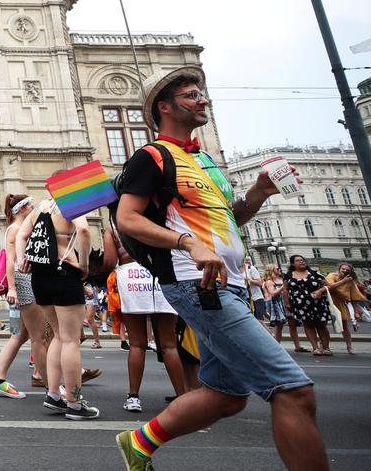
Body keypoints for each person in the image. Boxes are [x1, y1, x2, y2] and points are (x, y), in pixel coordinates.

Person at [114, 69, 326, 470]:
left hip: (231, 284)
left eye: (202, 95)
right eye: (193, 95)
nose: (204, 101)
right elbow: (128, 218)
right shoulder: (151, 157)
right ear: (165, 106)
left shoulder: (205, 161)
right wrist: (187, 243)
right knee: (294, 390)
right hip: (198, 285)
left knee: (227, 395)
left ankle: (140, 442)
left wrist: (260, 191)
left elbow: (228, 218)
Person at [17, 192, 99, 420]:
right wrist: (83, 265)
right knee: (71, 339)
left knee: (58, 336)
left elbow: (22, 235)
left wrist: (23, 260)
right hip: (64, 273)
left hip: (39, 276)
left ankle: (53, 394)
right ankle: (74, 402)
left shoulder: (40, 208)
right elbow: (83, 230)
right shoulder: (71, 203)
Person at [106, 216, 186, 414]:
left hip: (131, 279)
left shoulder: (115, 224)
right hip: (162, 274)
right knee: (169, 344)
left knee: (137, 343)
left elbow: (109, 261)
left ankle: (133, 397)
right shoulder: (161, 215)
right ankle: (183, 397)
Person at [0, 193, 48, 398]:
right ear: (21, 209)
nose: (33, 208)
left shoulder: (20, 228)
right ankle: (53, 388)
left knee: (20, 336)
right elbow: (10, 261)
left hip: (25, 284)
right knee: (39, 336)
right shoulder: (15, 229)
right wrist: (12, 288)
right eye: (30, 205)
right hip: (25, 285)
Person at [285, 254, 333, 356]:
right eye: (298, 261)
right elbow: (285, 289)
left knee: (321, 325)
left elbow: (328, 286)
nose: (302, 262)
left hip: (317, 302)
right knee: (308, 324)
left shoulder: (314, 273)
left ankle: (325, 347)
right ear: (293, 263)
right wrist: (287, 303)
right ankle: (315, 348)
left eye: (302, 260)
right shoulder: (289, 275)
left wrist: (320, 290)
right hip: (300, 304)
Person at [321, 263, 364, 354]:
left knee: (344, 326)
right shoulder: (332, 275)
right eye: (343, 269)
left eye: (347, 270)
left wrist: (356, 311)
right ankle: (324, 346)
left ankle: (349, 347)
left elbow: (354, 296)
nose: (344, 271)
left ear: (350, 271)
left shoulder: (350, 281)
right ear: (339, 269)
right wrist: (344, 281)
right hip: (330, 302)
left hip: (342, 304)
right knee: (323, 326)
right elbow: (329, 287)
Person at [262, 265, 290, 343]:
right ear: (272, 270)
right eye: (277, 269)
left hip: (285, 302)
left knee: (292, 323)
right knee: (279, 325)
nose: (279, 269)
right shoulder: (269, 281)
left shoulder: (282, 278)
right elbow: (272, 293)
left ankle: (297, 345)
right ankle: (277, 344)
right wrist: (283, 286)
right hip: (276, 304)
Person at [244, 255, 266, 327]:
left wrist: (248, 279)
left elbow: (260, 283)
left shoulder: (252, 269)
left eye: (249, 260)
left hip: (256, 298)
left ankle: (270, 337)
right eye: (246, 260)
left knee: (259, 322)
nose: (248, 262)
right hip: (246, 299)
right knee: (252, 322)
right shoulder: (240, 270)